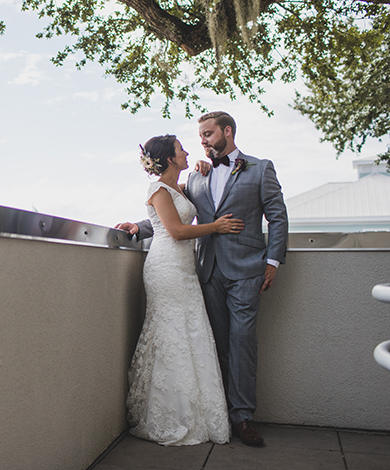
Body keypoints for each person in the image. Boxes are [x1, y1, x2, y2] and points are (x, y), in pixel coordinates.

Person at [118, 111, 289, 446]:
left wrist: (272, 261)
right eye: (199, 137)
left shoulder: (260, 168)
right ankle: (216, 412)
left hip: (246, 270)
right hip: (205, 271)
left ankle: (243, 418)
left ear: (227, 131)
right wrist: (140, 227)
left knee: (242, 342)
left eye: (208, 134)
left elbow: (278, 217)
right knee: (215, 345)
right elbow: (171, 212)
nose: (203, 142)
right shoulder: (196, 177)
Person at [125, 134, 243, 446]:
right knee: (171, 332)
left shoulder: (182, 185)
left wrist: (203, 169)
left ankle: (197, 413)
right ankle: (168, 414)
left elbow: (184, 209)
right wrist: (216, 227)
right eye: (181, 149)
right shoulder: (158, 189)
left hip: (186, 269)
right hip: (165, 267)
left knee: (192, 332)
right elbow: (175, 230)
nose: (188, 151)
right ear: (169, 158)